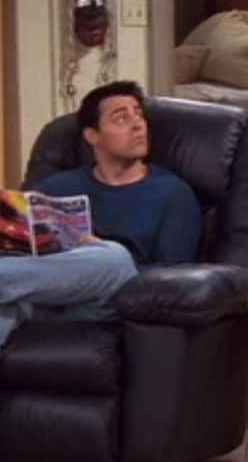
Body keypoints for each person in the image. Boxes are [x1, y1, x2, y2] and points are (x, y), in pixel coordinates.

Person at [0, 80, 202, 349]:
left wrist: (97, 257)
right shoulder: (57, 187)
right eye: (121, 118)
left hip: (111, 300)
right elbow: (26, 259)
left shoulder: (173, 192)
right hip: (45, 299)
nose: (138, 125)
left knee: (114, 257)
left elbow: (175, 272)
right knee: (6, 307)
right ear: (92, 136)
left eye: (139, 115)